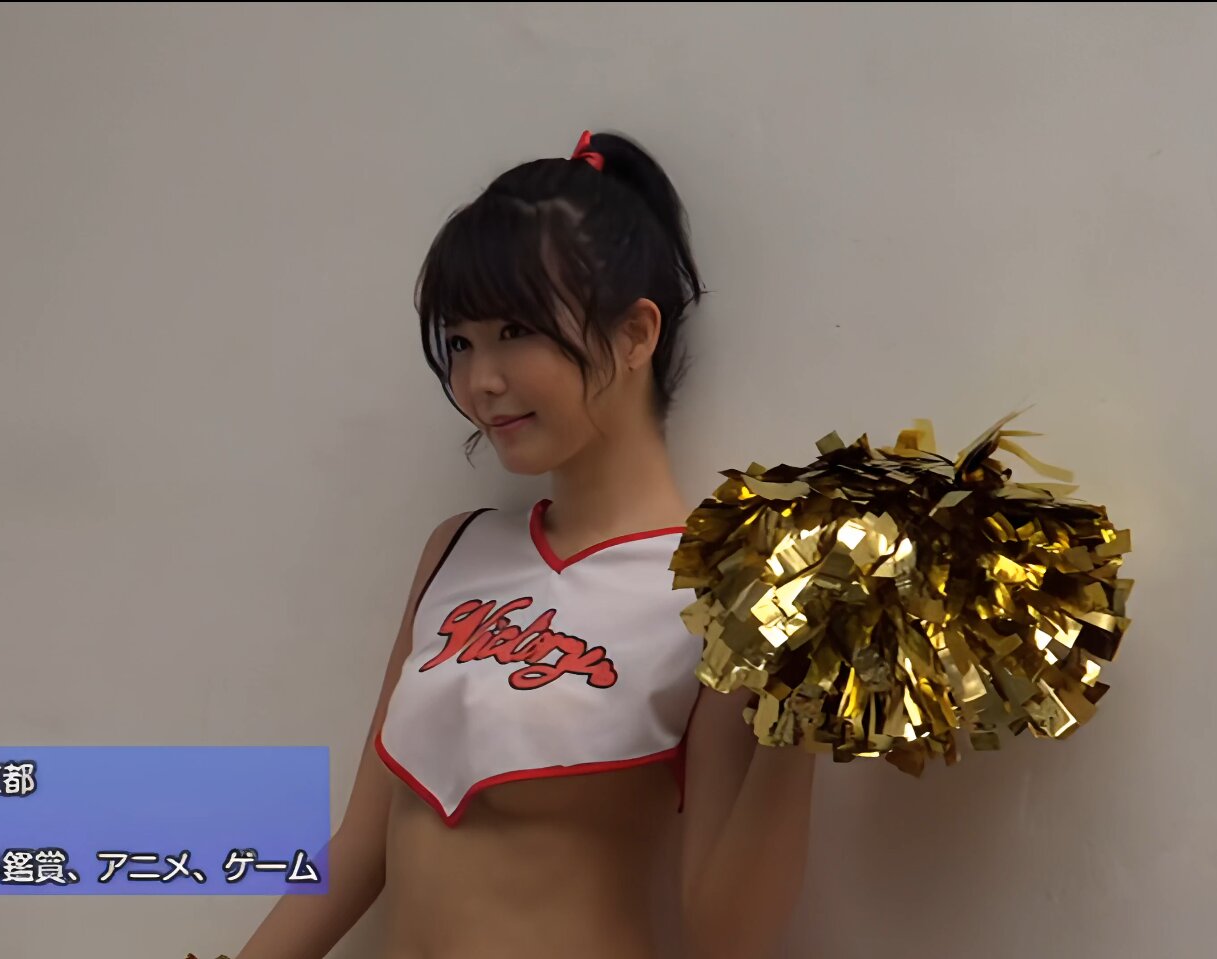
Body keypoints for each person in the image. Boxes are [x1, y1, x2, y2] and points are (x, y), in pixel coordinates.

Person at [236, 130, 817, 959]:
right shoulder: (456, 550)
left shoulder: (720, 584)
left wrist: (806, 718)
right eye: (461, 341)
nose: (481, 380)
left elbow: (725, 933)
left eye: (515, 330)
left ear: (635, 334)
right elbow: (361, 846)